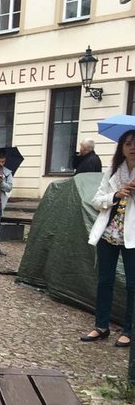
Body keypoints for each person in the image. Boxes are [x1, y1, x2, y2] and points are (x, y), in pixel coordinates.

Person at [79, 129, 135, 348]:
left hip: (132, 237)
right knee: (104, 281)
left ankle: (129, 330)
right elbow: (96, 200)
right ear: (121, 147)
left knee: (132, 284)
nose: (133, 148)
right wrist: (116, 195)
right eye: (128, 143)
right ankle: (101, 326)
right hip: (109, 234)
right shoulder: (112, 171)